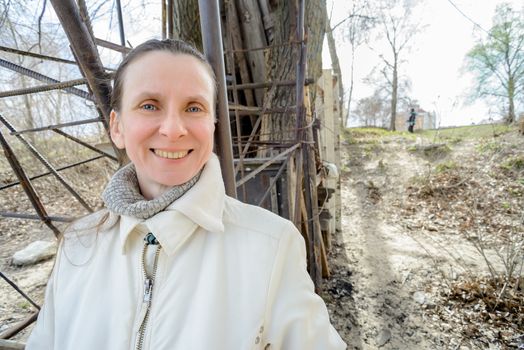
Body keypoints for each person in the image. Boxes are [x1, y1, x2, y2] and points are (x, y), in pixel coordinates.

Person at [26, 39, 346, 350]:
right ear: (117, 126)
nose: (173, 129)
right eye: (149, 105)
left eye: (193, 107)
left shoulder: (272, 245)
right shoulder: (78, 244)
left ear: (212, 124)